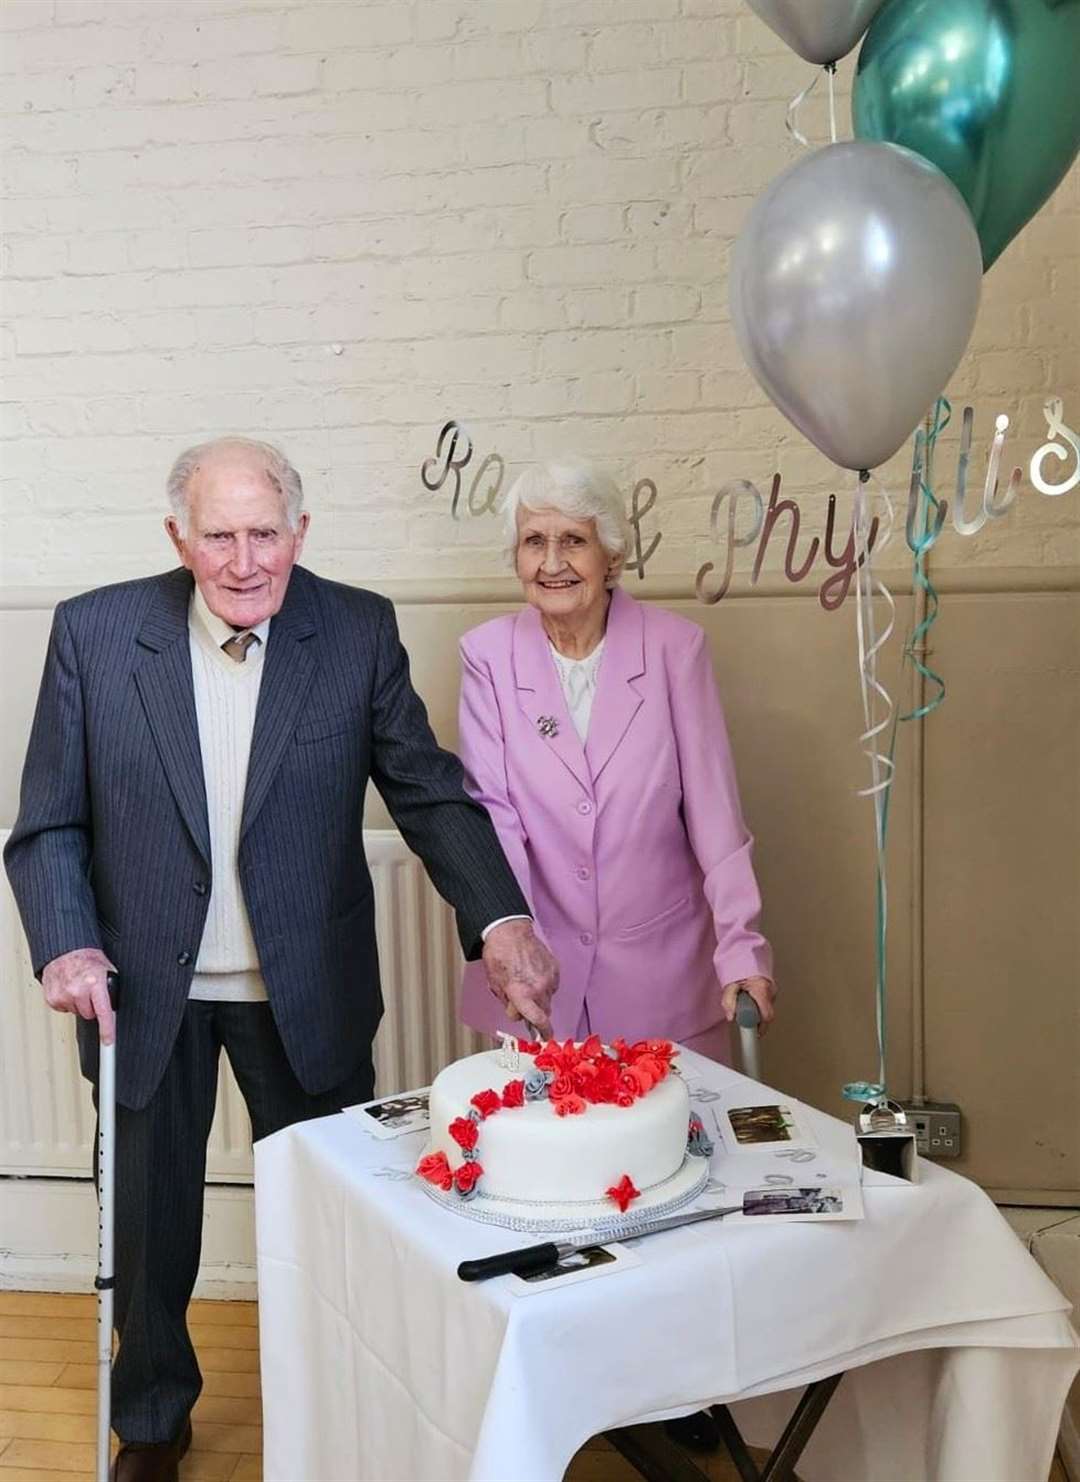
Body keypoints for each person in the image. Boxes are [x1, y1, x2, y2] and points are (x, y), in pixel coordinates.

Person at [4, 437, 557, 1482]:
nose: (246, 560)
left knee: (330, 1230)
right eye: (220, 535)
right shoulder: (96, 632)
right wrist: (67, 938)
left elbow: (429, 791)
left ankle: (337, 1413)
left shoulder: (353, 629)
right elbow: (48, 825)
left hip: (306, 988)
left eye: (266, 533)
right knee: (148, 1232)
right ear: (180, 537)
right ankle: (153, 1428)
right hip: (143, 992)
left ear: (301, 532)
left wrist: (500, 920)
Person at [458, 458, 776, 1064]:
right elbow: (493, 821)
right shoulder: (487, 658)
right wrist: (519, 954)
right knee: (546, 1157)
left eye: (573, 540)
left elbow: (716, 817)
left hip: (663, 984)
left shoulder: (675, 649)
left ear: (612, 556)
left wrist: (742, 948)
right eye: (534, 542)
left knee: (676, 1152)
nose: (552, 563)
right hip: (538, 984)